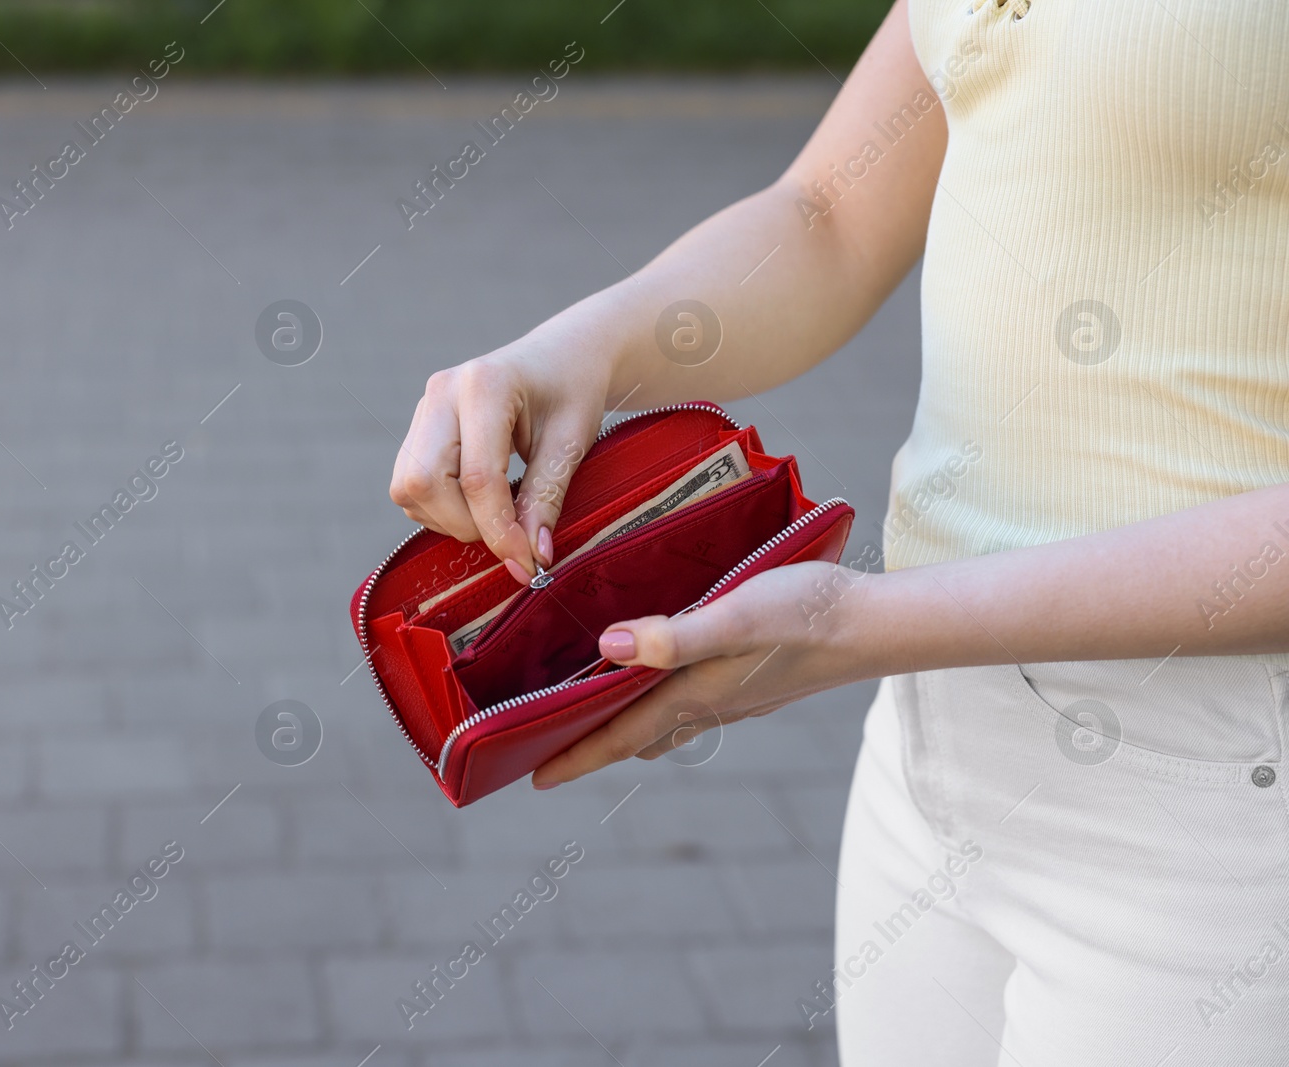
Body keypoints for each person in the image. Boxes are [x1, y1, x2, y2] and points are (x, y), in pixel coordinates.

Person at [387, 0, 1289, 1062]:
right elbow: (831, 214)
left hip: (1211, 804)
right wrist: (574, 348)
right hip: (931, 748)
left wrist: (868, 625)